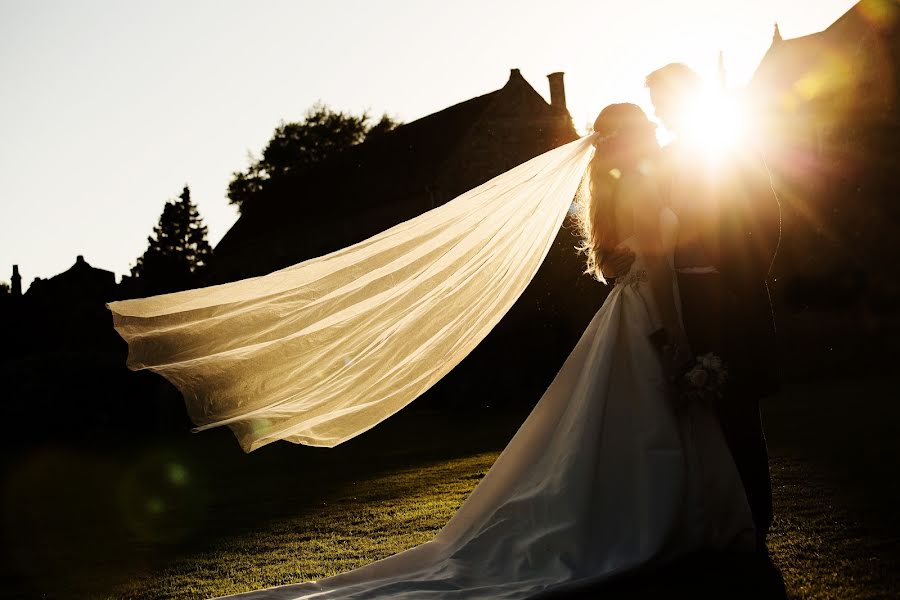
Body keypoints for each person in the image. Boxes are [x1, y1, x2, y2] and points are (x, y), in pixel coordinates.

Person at [211, 103, 756, 599]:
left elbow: (619, 265)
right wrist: (672, 339)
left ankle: (652, 521)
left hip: (625, 312)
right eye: (648, 127)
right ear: (632, 137)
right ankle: (664, 525)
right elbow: (657, 267)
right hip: (650, 316)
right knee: (647, 424)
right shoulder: (638, 188)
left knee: (623, 428)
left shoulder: (609, 190)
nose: (658, 133)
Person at [602, 63, 781, 553]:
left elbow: (766, 218)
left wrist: (739, 282)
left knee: (740, 414)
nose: (660, 112)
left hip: (730, 302)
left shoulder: (732, 147)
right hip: (681, 305)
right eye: (655, 104)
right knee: (703, 420)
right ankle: (719, 520)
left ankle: (755, 522)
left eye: (664, 101)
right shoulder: (662, 160)